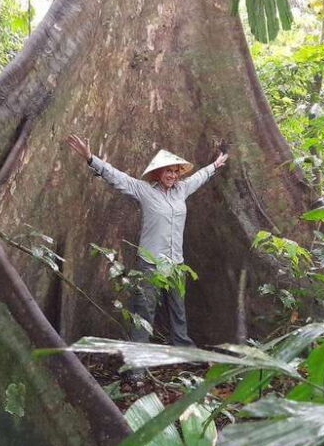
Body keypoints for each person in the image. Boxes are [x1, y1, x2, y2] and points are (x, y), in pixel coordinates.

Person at [66, 134, 228, 350]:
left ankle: (183, 349)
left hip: (176, 263)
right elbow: (117, 177)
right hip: (150, 263)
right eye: (167, 171)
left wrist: (215, 165)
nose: (172, 175)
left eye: (175, 171)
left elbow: (198, 177)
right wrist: (90, 158)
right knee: (144, 311)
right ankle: (137, 364)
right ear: (158, 173)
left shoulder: (182, 189)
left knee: (178, 309)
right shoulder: (144, 190)